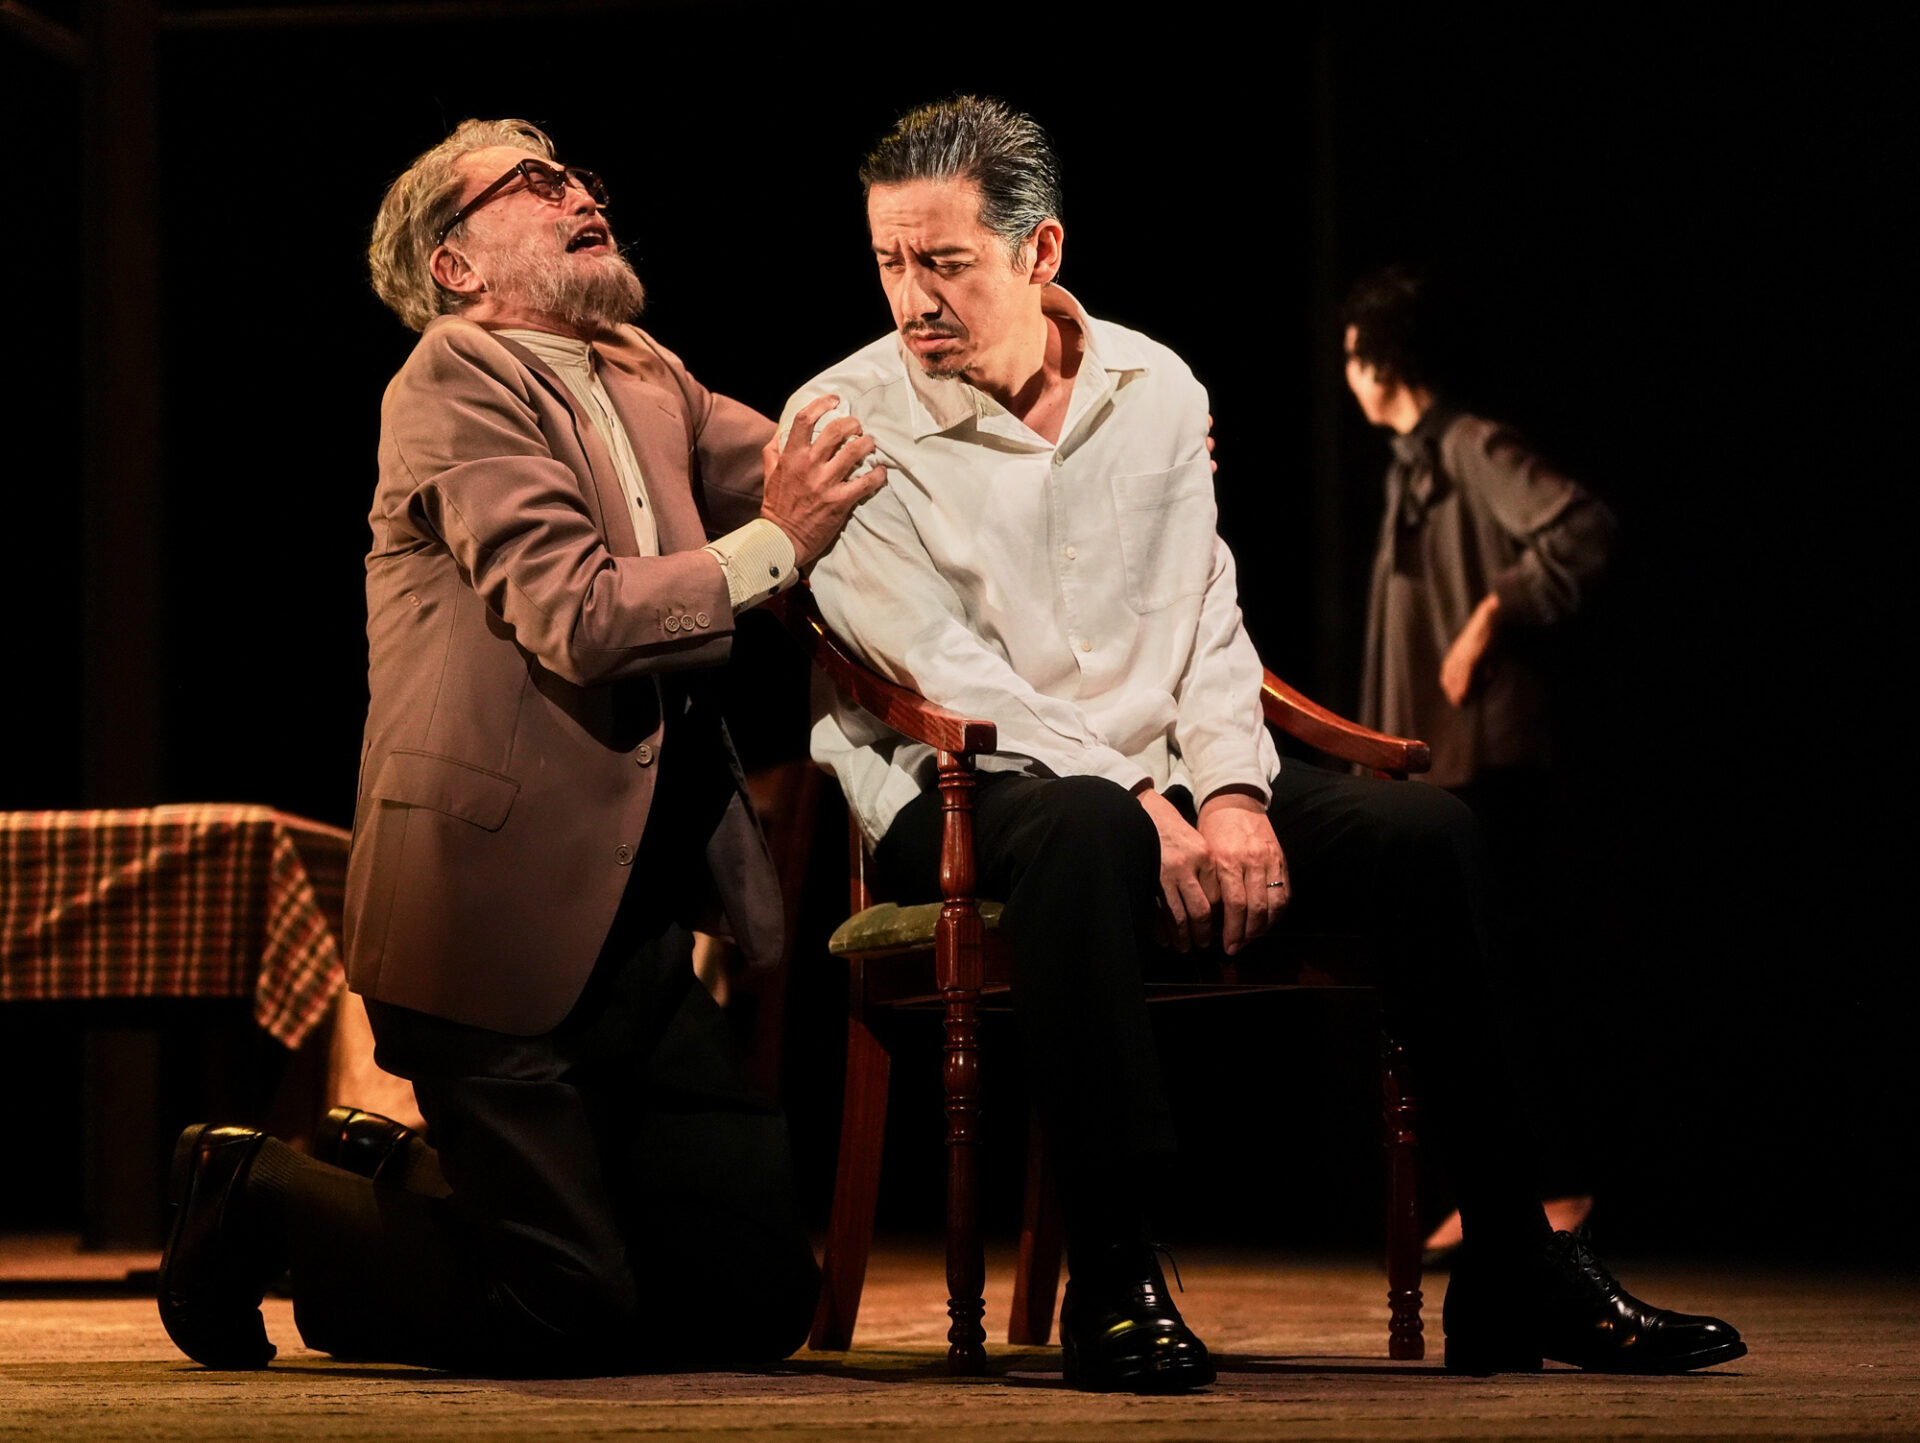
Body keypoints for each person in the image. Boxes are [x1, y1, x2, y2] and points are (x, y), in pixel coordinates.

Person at [796, 95, 1743, 1391]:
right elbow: (946, 673)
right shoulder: (841, 421)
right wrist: (1142, 796)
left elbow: (1205, 616)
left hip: (1167, 777)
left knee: (1427, 834)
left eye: (944, 261)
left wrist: (1236, 793)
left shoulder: (1156, 388)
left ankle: (1519, 1257)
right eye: (889, 261)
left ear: (1039, 250)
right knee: (1084, 825)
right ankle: (1116, 1272)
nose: (913, 298)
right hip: (961, 790)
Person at [156, 118, 885, 1374]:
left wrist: (1017, 417)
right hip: (487, 920)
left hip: (630, 927)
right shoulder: (451, 380)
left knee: (755, 1306)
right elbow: (581, 618)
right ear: (456, 265)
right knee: (568, 1313)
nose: (578, 190)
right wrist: (777, 543)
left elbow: (814, 457)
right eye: (534, 182)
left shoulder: (643, 369)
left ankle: (397, 1176)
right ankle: (256, 1189)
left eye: (575, 173)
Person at [1343, 265, 1617, 1256]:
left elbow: (1580, 525)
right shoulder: (1414, 464)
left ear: (1380, 362)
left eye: (1350, 356)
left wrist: (1492, 614)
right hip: (1436, 764)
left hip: (1487, 754)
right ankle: (1502, 1188)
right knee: (1456, 985)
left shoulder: (1467, 444)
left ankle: (1558, 1184)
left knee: (1510, 977)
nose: (1345, 374)